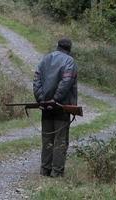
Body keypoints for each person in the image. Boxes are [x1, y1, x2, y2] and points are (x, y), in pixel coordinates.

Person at [33, 38, 78, 177]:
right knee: (60, 140)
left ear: (57, 46)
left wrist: (42, 100)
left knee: (47, 138)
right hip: (62, 107)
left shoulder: (45, 59)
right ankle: (57, 172)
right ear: (69, 49)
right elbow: (66, 82)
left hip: (45, 106)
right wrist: (55, 100)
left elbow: (36, 80)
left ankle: (45, 169)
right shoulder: (69, 61)